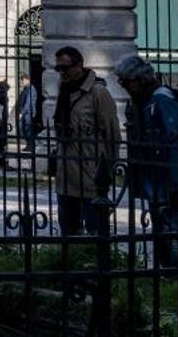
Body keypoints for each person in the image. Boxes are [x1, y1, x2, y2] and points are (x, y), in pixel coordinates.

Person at [115, 53, 178, 270]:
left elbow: (174, 142)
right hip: (156, 180)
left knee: (171, 235)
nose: (124, 87)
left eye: (126, 82)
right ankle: (168, 274)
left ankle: (174, 277)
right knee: (162, 233)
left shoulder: (161, 100)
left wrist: (175, 184)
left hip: (166, 183)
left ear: (140, 80)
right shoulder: (144, 101)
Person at [51, 46, 119, 236]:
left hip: (91, 176)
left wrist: (109, 167)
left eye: (66, 68)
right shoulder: (63, 90)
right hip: (65, 176)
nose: (62, 73)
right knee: (69, 232)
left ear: (79, 65)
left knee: (95, 232)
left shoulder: (98, 92)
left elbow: (112, 133)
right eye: (59, 69)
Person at [16, 74, 43, 171]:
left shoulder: (31, 89)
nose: (21, 82)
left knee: (28, 129)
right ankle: (29, 144)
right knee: (22, 128)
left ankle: (31, 145)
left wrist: (22, 113)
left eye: (23, 80)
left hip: (29, 113)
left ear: (27, 80)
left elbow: (28, 103)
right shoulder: (25, 89)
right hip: (24, 112)